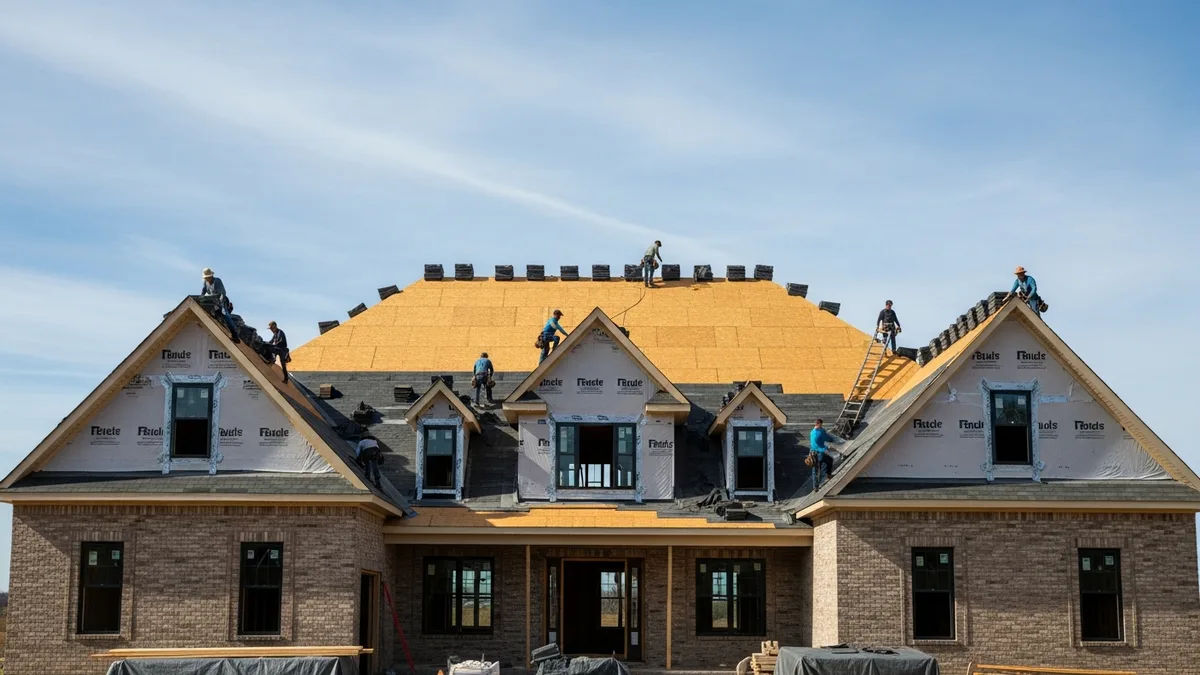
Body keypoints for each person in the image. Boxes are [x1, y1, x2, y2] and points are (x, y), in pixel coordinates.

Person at [200, 268, 240, 343]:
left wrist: (220, 302)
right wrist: (200, 299)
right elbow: (203, 291)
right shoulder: (205, 282)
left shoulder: (217, 281)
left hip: (222, 300)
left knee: (225, 314)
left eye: (208, 277)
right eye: (206, 278)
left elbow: (223, 293)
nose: (207, 279)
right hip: (212, 300)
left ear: (211, 276)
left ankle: (235, 334)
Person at [809, 418, 843, 491]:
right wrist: (826, 448)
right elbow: (815, 446)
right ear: (817, 424)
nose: (820, 426)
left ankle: (828, 475)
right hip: (816, 453)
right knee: (816, 470)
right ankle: (816, 487)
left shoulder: (821, 430)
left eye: (821, 425)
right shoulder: (814, 434)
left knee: (829, 460)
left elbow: (826, 437)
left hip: (821, 452)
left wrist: (832, 440)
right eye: (820, 425)